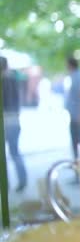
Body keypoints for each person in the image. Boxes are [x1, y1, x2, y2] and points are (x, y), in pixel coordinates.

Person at [1, 56, 27, 192]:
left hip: (5, 120)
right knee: (15, 152)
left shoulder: (4, 80)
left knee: (7, 153)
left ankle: (5, 184)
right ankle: (22, 180)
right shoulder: (14, 79)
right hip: (15, 120)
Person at [65, 57, 80, 160]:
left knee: (76, 142)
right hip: (75, 114)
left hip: (77, 116)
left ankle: (78, 166)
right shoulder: (75, 76)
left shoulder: (77, 77)